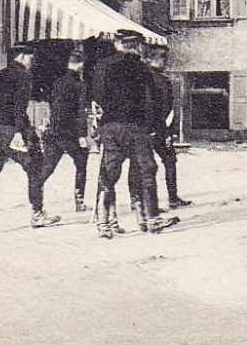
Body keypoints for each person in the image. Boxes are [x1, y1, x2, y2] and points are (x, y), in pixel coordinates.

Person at [90, 31, 175, 238]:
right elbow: (152, 103)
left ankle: (104, 224)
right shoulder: (143, 69)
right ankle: (151, 218)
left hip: (110, 128)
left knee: (109, 175)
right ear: (137, 46)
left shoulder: (102, 66)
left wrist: (100, 126)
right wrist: (160, 130)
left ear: (119, 45)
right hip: (136, 128)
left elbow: (96, 98)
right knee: (147, 169)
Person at [0, 42, 59, 236]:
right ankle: (37, 214)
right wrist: (19, 133)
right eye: (30, 58)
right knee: (35, 168)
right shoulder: (24, 76)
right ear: (22, 57)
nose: (31, 61)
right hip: (13, 131)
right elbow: (19, 107)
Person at [38, 45, 92, 213]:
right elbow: (80, 111)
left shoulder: (57, 83)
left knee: (46, 168)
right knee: (82, 164)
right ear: (80, 65)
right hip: (71, 134)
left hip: (55, 132)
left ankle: (36, 199)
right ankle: (79, 200)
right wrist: (82, 135)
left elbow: (53, 106)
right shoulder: (80, 85)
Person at [145, 42, 192, 210]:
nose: (165, 63)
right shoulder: (157, 81)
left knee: (146, 165)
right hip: (155, 129)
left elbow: (168, 108)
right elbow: (161, 108)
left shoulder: (151, 79)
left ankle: (145, 202)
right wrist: (166, 133)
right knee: (165, 161)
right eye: (162, 59)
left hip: (150, 129)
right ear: (151, 59)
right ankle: (166, 200)